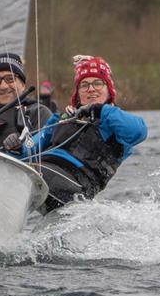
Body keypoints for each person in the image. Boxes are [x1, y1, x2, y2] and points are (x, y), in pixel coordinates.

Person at [26, 55, 147, 212]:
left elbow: (140, 131)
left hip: (76, 187)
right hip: (45, 175)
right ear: (78, 93)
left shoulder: (115, 122)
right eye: (84, 85)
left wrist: (99, 110)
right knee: (19, 169)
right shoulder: (61, 118)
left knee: (25, 174)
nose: (91, 89)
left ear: (109, 90)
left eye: (98, 83)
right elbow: (30, 147)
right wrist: (16, 145)